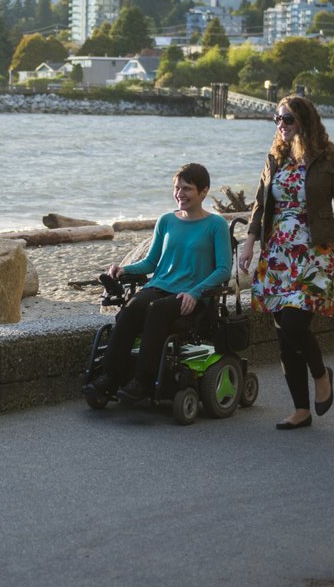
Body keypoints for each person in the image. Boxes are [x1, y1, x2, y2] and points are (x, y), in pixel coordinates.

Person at [236, 95, 334, 431]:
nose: (281, 125)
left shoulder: (328, 157)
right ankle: (300, 409)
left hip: (315, 250)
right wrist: (249, 244)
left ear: (305, 121)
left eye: (287, 119)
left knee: (294, 325)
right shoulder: (276, 156)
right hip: (278, 253)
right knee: (283, 334)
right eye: (278, 119)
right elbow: (261, 203)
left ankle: (320, 375)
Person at [82, 163, 232, 405]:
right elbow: (151, 262)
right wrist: (124, 269)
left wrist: (195, 293)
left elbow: (224, 269)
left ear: (204, 191)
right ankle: (110, 377)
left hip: (191, 295)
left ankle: (142, 380)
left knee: (157, 311)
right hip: (161, 285)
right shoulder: (166, 221)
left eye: (187, 189)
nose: (179, 194)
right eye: (176, 188)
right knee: (131, 308)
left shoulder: (216, 225)